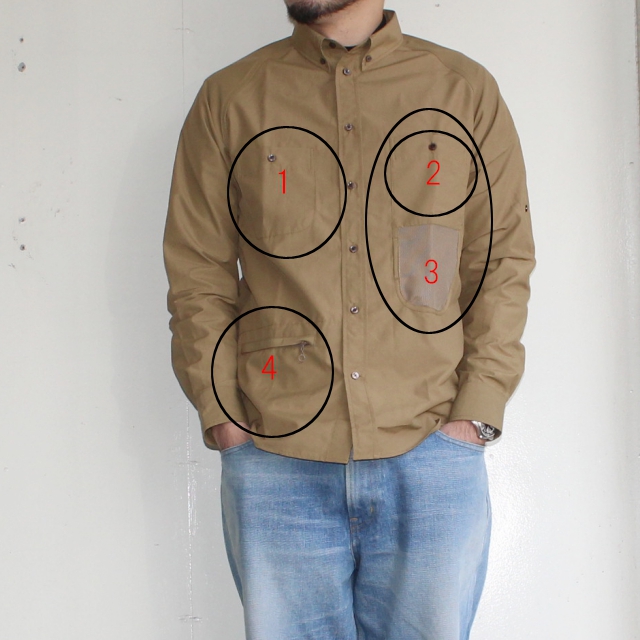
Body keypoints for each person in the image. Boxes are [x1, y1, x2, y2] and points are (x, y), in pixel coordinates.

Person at [163, 0, 535, 637]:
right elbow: (198, 270)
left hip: (431, 450)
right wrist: (223, 415)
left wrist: (474, 414)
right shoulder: (230, 99)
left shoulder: (462, 91)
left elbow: (500, 258)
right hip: (277, 454)